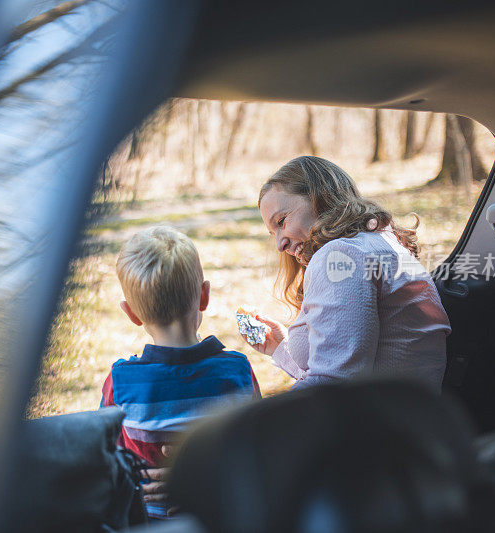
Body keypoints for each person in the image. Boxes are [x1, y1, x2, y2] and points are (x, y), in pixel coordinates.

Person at [242, 155, 452, 390]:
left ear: (319, 198)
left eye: (281, 221)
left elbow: (335, 387)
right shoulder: (375, 241)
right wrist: (280, 349)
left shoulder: (340, 256)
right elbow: (338, 369)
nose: (280, 244)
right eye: (273, 234)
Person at [101, 225, 261, 519]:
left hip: (148, 521)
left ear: (131, 313)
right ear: (204, 296)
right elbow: (257, 448)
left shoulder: (120, 382)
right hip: (223, 515)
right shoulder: (238, 371)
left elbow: (107, 461)